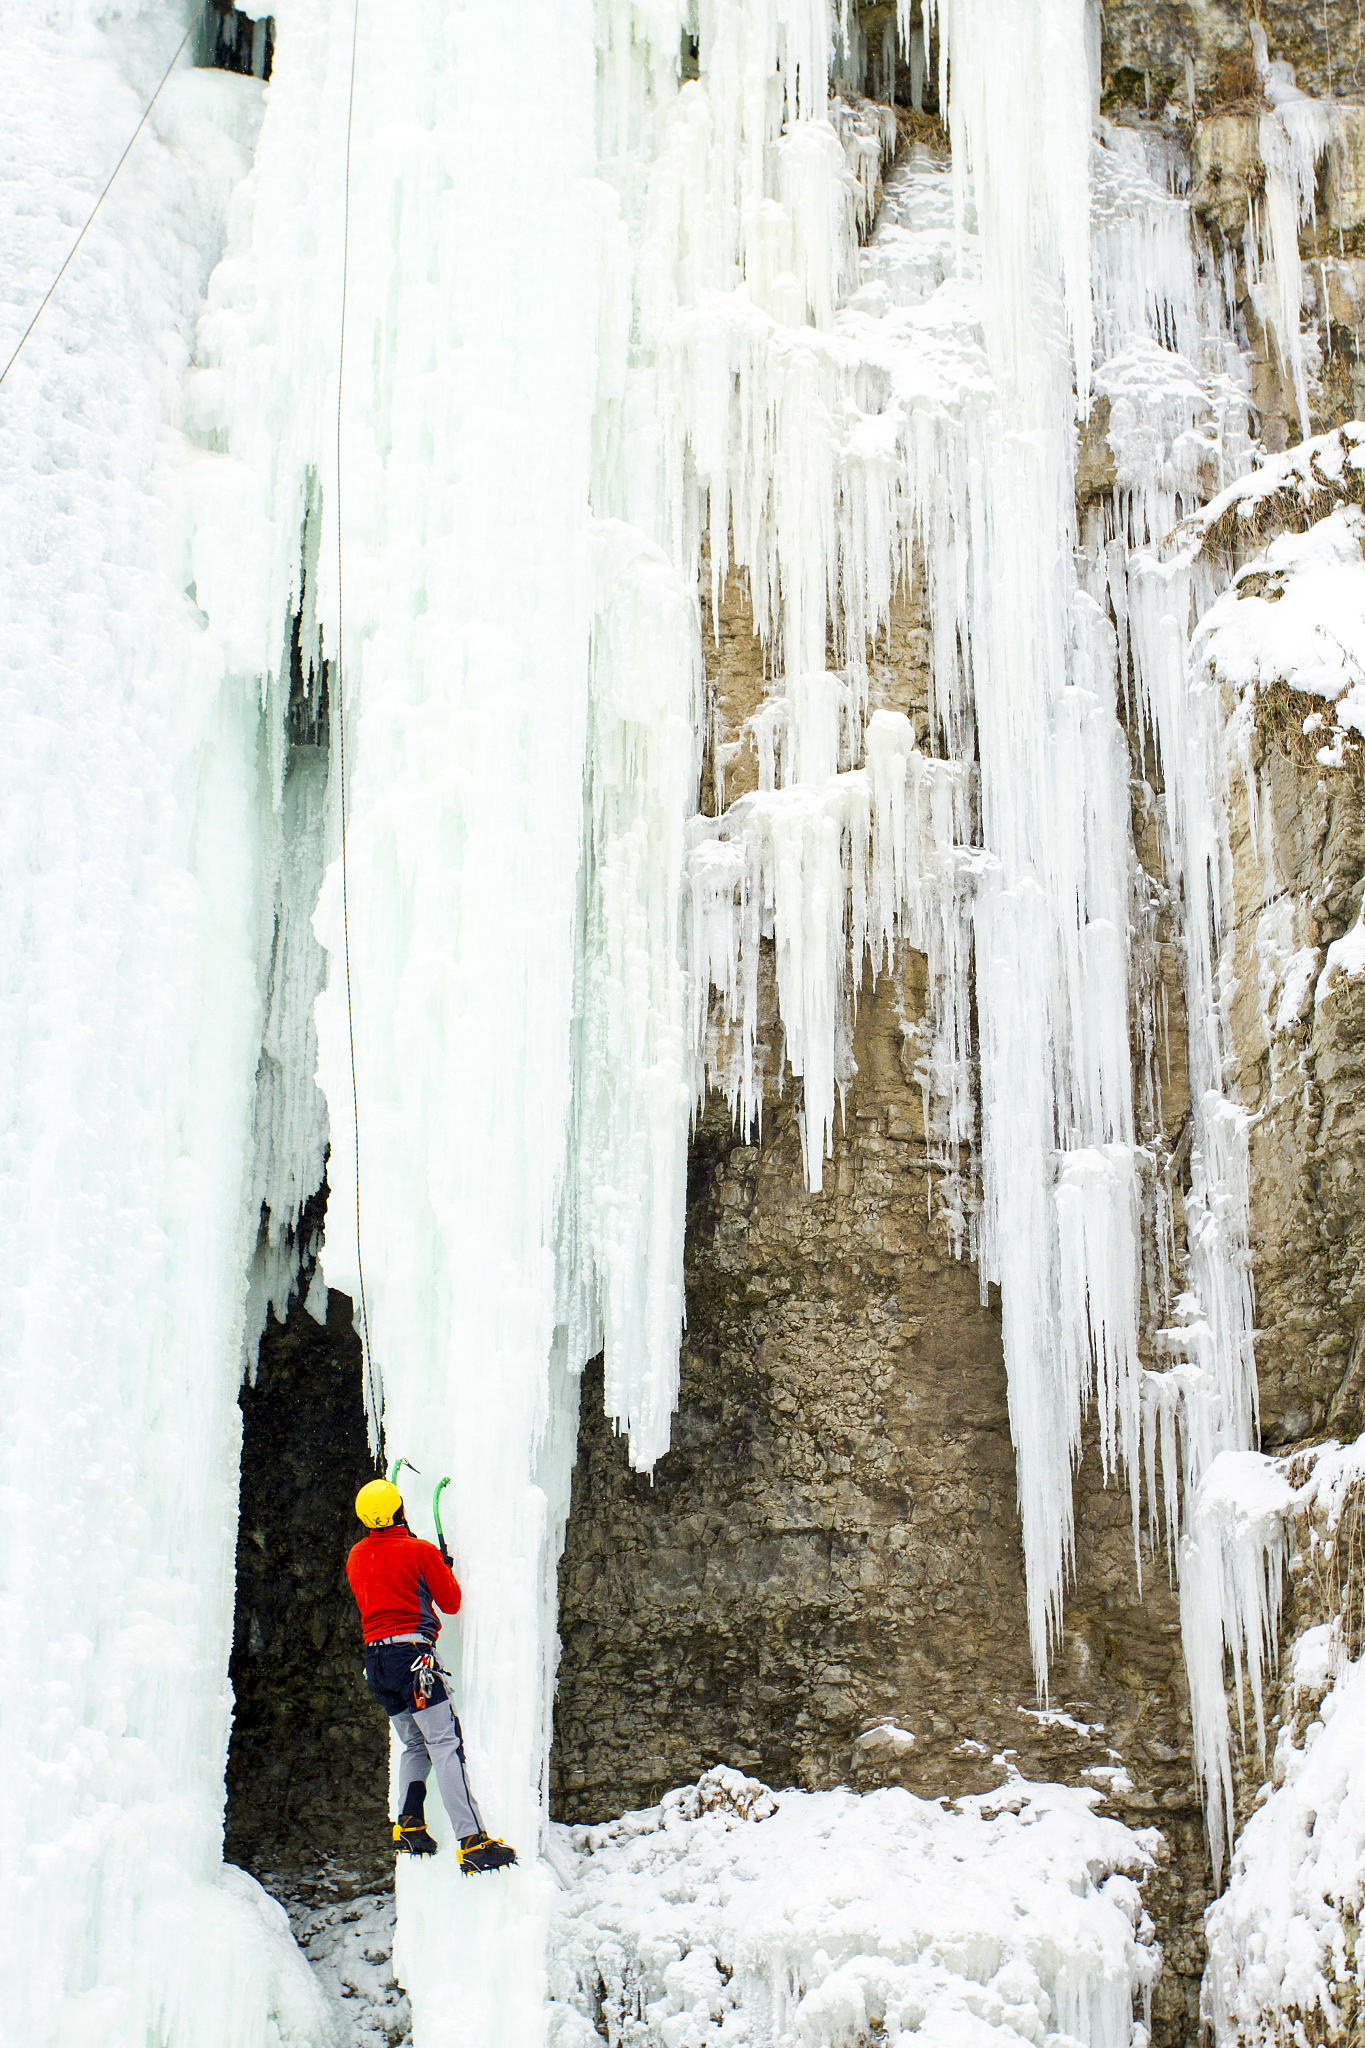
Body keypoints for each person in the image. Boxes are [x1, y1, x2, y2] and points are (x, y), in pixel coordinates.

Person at [346, 1478, 517, 1875]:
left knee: (415, 1745)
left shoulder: (356, 1556)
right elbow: (451, 1602)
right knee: (444, 1742)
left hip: (377, 1663)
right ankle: (473, 1841)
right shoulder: (419, 1551)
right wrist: (438, 1567)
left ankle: (409, 1828)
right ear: (400, 1510)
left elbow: (386, 1587)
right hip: (413, 1659)